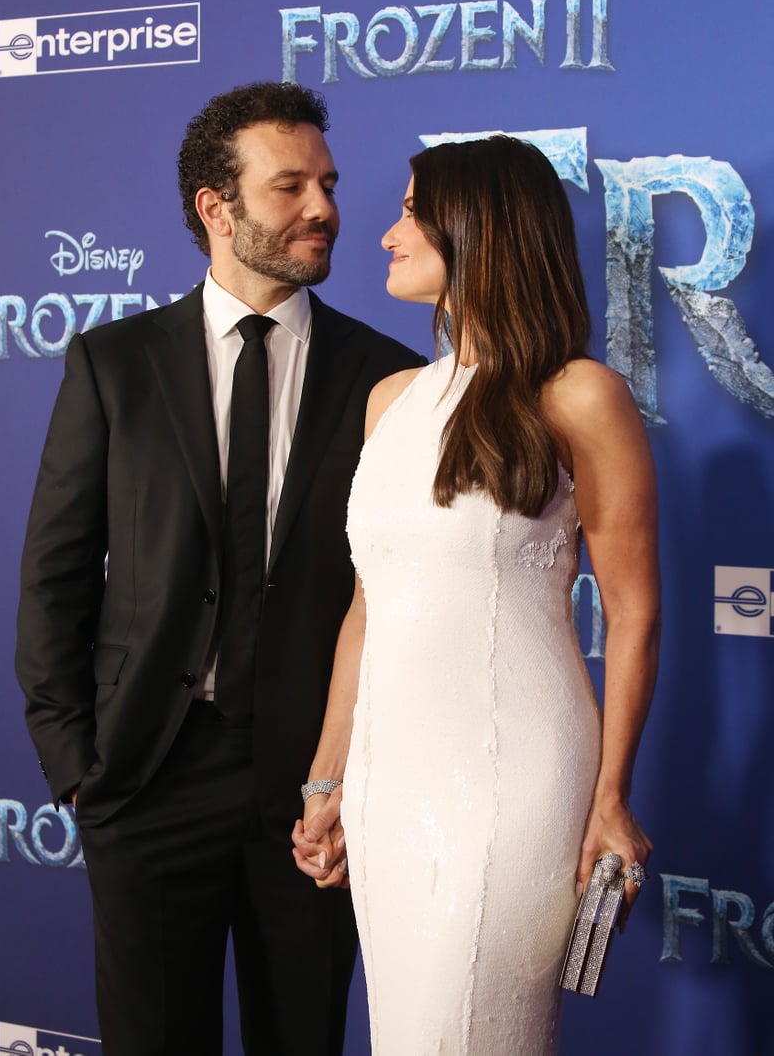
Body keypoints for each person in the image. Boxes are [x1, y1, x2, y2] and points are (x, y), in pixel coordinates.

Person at [15, 81, 424, 1056]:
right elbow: (55, 575)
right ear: (217, 207)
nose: (324, 207)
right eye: (290, 187)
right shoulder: (114, 363)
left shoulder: (387, 376)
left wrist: (349, 777)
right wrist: (79, 770)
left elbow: (398, 596)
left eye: (327, 182)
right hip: (149, 776)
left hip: (315, 790)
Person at [293, 135, 660, 1054]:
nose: (386, 233)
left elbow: (634, 610)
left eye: (412, 210)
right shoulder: (394, 400)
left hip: (513, 780)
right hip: (387, 783)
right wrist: (329, 778)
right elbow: (366, 612)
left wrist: (612, 795)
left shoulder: (579, 396)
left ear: (481, 227)